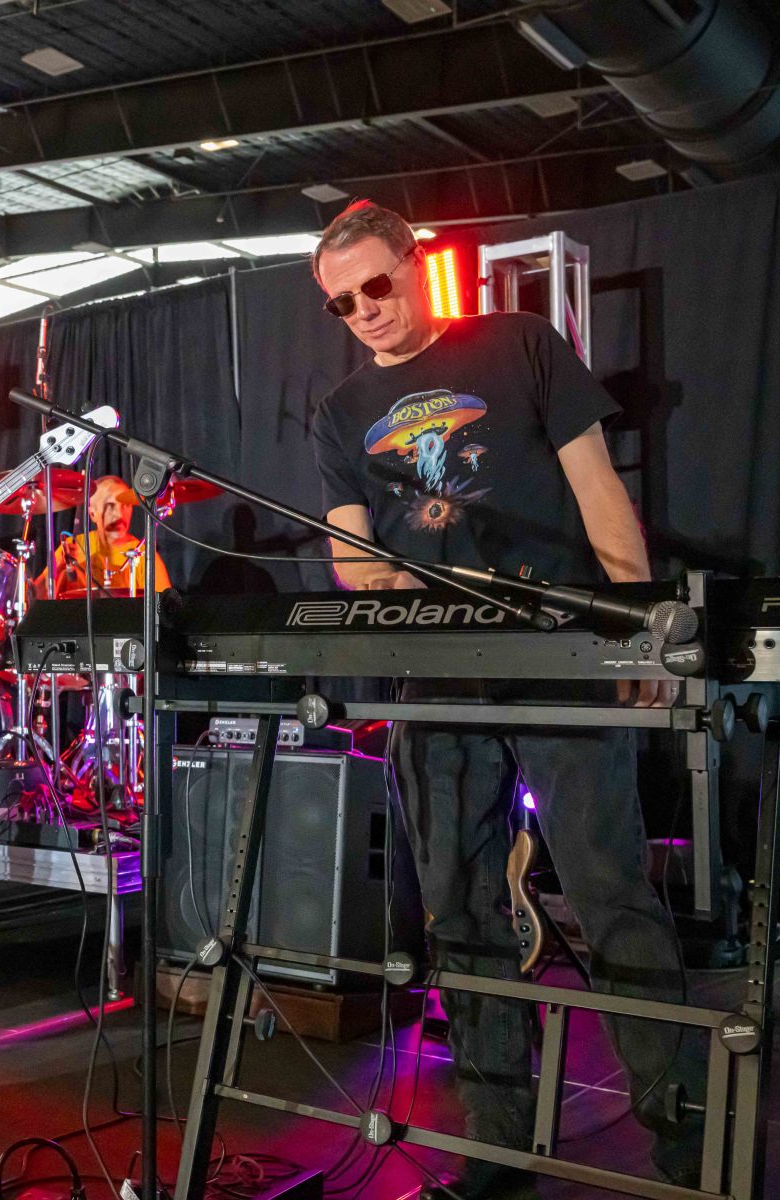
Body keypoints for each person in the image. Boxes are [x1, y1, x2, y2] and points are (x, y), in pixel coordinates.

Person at [308, 200, 699, 1197]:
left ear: (416, 263)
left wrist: (636, 621)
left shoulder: (519, 343)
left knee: (610, 891)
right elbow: (351, 556)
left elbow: (598, 487)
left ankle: (686, 1136)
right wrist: (383, 577)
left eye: (376, 285)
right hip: (437, 667)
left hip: (558, 647)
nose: (365, 309)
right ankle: (496, 1139)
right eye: (343, 302)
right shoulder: (344, 410)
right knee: (459, 909)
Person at [34, 475, 173, 598]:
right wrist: (58, 568)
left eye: (125, 505)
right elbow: (36, 600)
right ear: (92, 514)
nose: (119, 514)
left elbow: (164, 608)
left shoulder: (144, 555)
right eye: (110, 505)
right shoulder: (73, 547)